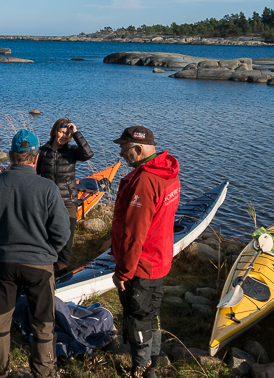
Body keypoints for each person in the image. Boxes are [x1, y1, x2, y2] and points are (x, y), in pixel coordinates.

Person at [0, 129, 70, 378]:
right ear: (35, 157)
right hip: (40, 267)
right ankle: (44, 372)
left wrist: (2, 244)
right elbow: (62, 231)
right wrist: (48, 251)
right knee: (43, 325)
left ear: (11, 155)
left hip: (5, 263)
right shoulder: (47, 188)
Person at [111, 126, 180, 378]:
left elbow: (134, 233)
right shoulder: (169, 172)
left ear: (139, 149)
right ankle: (154, 358)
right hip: (160, 258)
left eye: (124, 148)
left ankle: (140, 369)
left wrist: (123, 272)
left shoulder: (144, 181)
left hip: (141, 263)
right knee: (152, 311)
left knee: (137, 315)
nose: (121, 153)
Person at [36, 118, 94, 274]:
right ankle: (47, 265)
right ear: (55, 131)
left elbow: (88, 154)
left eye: (67, 134)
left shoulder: (72, 151)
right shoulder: (42, 151)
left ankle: (61, 269)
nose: (63, 136)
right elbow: (35, 174)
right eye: (61, 132)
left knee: (67, 237)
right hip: (47, 202)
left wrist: (76, 134)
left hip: (68, 201)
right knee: (47, 235)